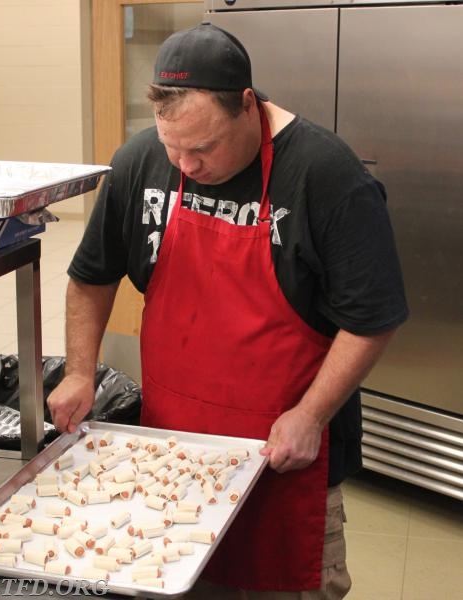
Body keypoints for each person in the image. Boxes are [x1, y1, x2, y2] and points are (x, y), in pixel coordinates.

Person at [47, 22, 408, 599]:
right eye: (173, 147)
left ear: (247, 105)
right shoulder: (140, 162)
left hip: (283, 459)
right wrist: (79, 371)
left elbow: (374, 317)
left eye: (204, 148)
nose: (185, 165)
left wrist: (311, 415)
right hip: (171, 456)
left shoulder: (326, 176)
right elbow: (91, 277)